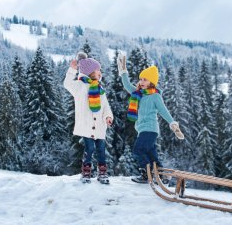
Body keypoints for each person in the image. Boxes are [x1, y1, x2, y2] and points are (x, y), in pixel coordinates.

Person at [117, 54, 184, 183]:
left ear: (152, 82)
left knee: (138, 149)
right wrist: (123, 71)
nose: (141, 82)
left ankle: (146, 174)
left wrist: (173, 124)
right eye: (141, 79)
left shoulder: (155, 96)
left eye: (145, 79)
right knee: (151, 154)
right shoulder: (138, 94)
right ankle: (161, 175)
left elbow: (163, 111)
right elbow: (126, 85)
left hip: (150, 129)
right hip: (142, 130)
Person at [64, 52, 113, 184]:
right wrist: (72, 69)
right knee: (89, 149)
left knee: (101, 150)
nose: (100, 73)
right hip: (87, 127)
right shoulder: (80, 87)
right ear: (90, 72)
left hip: (100, 127)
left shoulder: (100, 89)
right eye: (98, 70)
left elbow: (106, 106)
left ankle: (102, 173)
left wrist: (108, 116)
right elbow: (67, 84)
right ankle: (86, 172)